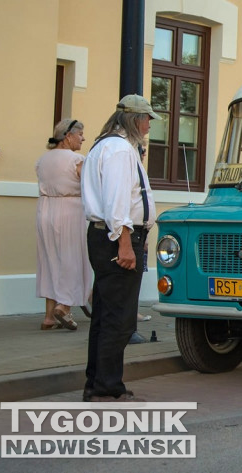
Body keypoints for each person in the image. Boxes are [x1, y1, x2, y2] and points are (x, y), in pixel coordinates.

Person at [80, 95, 158, 402]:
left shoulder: (106, 146)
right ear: (134, 120)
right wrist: (125, 242)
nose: (150, 124)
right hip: (118, 237)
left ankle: (97, 382)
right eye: (147, 118)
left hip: (109, 235)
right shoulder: (118, 149)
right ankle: (106, 386)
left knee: (105, 314)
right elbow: (116, 201)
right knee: (119, 318)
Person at [35, 119, 91, 330]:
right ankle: (64, 306)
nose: (83, 138)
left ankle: (48, 317)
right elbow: (88, 186)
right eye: (80, 134)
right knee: (72, 258)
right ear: (68, 136)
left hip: (45, 209)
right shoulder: (76, 159)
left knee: (49, 260)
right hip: (69, 209)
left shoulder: (43, 159)